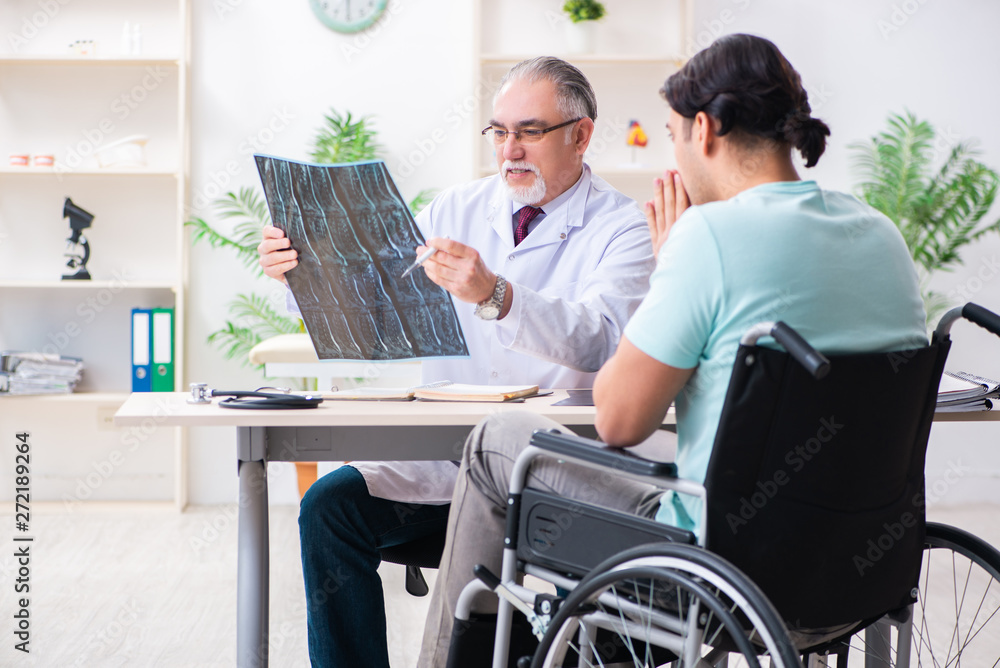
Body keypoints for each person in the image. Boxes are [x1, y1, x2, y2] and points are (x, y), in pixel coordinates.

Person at [417, 33, 929, 666]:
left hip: (725, 563)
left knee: (497, 438)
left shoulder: (705, 239)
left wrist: (668, 271)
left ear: (705, 130)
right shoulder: (883, 235)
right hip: (862, 562)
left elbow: (617, 419)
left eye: (673, 133)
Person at [257, 56, 657, 667]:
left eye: (529, 131)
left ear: (580, 134)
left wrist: (496, 295)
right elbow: (381, 307)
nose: (510, 149)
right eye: (498, 132)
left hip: (552, 481)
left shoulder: (623, 227)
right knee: (328, 510)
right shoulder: (457, 208)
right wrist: (299, 271)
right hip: (440, 469)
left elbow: (601, 340)